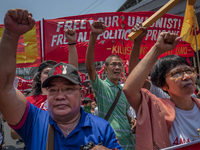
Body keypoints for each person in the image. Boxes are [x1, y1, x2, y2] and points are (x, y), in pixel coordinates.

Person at [0, 9, 122, 150]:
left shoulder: (102, 128)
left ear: (82, 94)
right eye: (53, 89)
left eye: (68, 89)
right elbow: (4, 88)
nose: (59, 96)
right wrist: (10, 35)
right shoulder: (33, 120)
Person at [123, 30, 200, 149]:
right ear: (163, 85)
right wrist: (157, 48)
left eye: (189, 71)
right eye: (177, 73)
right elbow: (130, 88)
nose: (186, 77)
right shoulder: (157, 110)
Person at [86, 21, 135, 149]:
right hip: (110, 142)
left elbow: (124, 114)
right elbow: (90, 67)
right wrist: (93, 36)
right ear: (106, 69)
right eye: (113, 64)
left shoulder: (125, 90)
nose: (117, 67)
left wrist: (132, 122)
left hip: (130, 143)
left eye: (119, 64)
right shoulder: (101, 87)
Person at [26, 28, 78, 110]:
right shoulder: (29, 101)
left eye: (54, 72)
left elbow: (73, 71)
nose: (50, 75)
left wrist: (71, 44)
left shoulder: (64, 98)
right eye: (46, 72)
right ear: (39, 78)